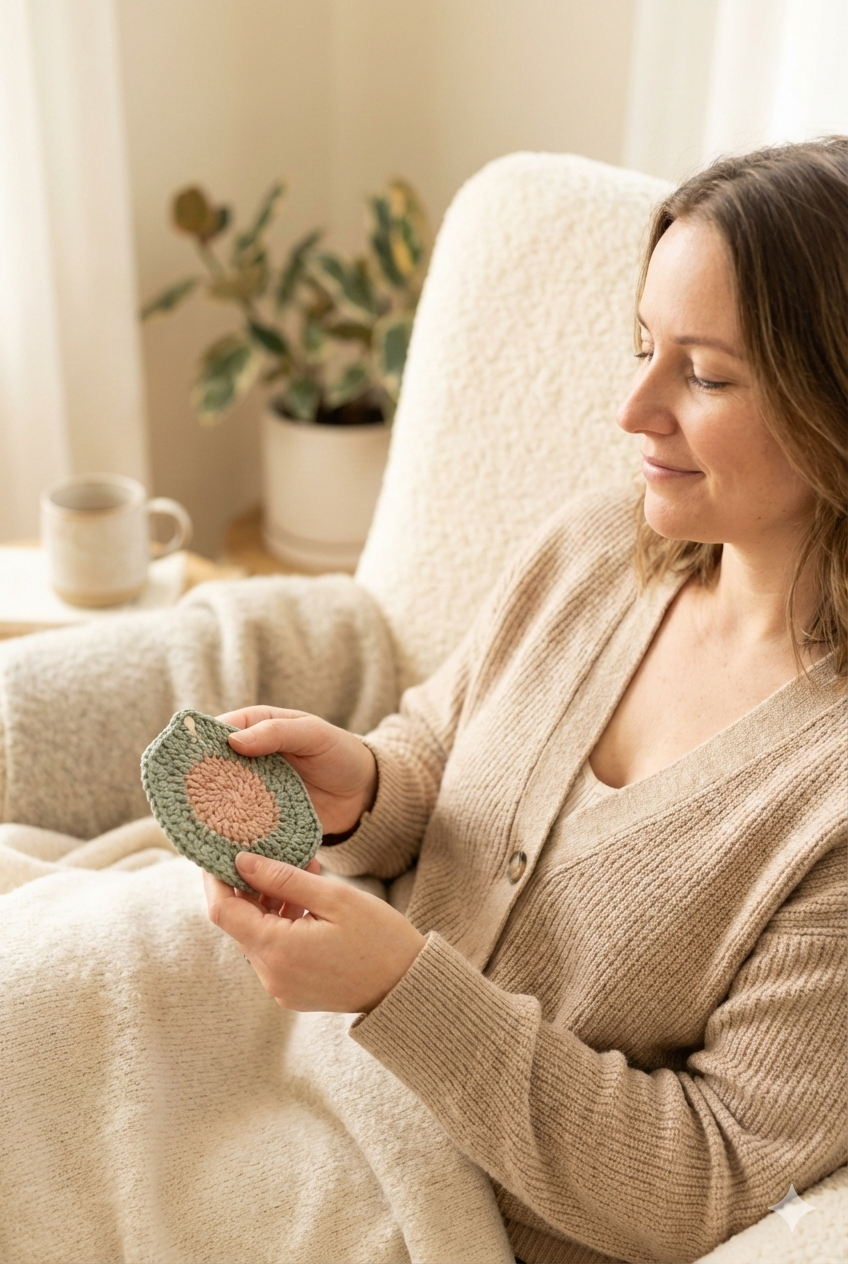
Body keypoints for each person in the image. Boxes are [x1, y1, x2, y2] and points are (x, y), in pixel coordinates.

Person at [204, 137, 847, 1264]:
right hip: (256, 1039)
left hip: (401, 1198)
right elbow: (436, 747)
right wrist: (362, 787)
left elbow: (713, 1176)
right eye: (641, 346)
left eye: (700, 374)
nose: (631, 408)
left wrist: (402, 988)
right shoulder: (599, 547)